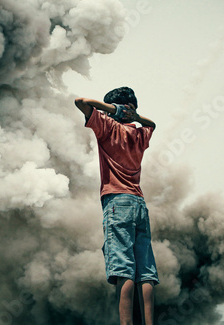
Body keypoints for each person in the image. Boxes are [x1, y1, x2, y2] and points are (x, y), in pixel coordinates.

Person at [75, 87, 159, 325]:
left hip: (116, 202)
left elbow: (80, 101)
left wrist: (114, 111)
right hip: (139, 202)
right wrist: (136, 117)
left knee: (123, 269)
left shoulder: (108, 127)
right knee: (146, 271)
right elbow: (152, 123)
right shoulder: (141, 134)